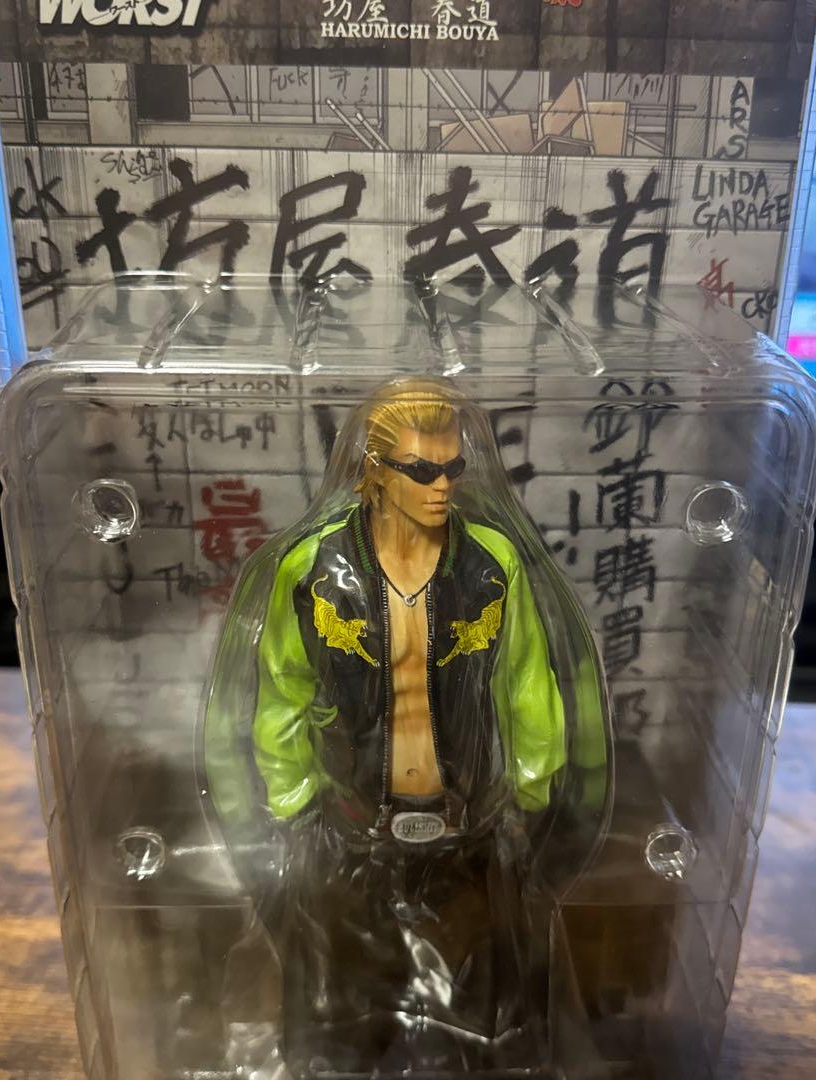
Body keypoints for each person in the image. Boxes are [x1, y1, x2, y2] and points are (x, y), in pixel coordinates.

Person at [205, 378, 609, 1078]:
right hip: (349, 829)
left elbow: (527, 687)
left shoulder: (491, 563)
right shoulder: (315, 569)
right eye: (422, 469)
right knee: (337, 1023)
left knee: (482, 1025)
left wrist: (529, 797)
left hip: (467, 832)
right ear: (375, 469)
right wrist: (292, 805)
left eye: (453, 467)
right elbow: (280, 694)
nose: (442, 485)